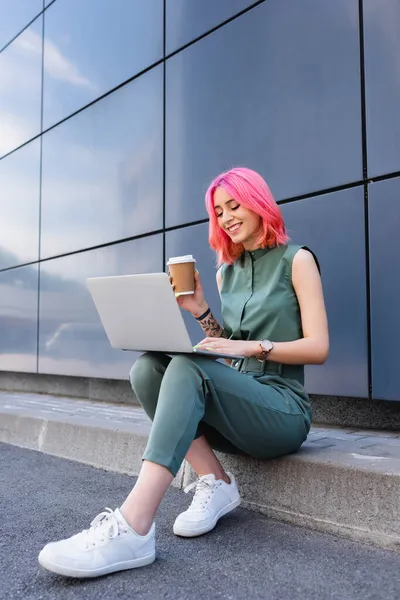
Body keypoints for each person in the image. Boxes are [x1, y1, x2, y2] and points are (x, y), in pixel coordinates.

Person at [38, 167, 329, 578]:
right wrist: (201, 313)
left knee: (190, 369)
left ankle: (134, 525)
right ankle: (216, 481)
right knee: (148, 368)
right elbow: (226, 346)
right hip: (241, 399)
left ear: (258, 202)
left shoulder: (296, 260)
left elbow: (319, 348)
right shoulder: (225, 271)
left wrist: (252, 347)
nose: (226, 217)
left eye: (234, 204)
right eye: (218, 211)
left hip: (282, 411)